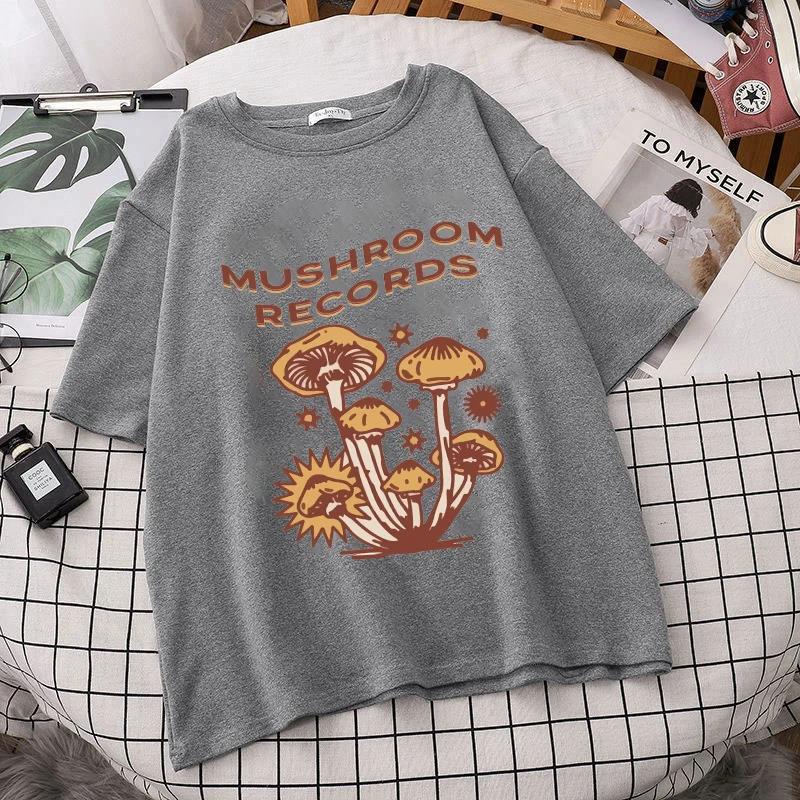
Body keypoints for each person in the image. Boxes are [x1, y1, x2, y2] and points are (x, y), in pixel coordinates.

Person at [619, 179, 714, 268]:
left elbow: (633, 223)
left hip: (640, 241)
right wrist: (705, 234)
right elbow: (683, 243)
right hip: (660, 251)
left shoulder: (655, 200)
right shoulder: (682, 216)